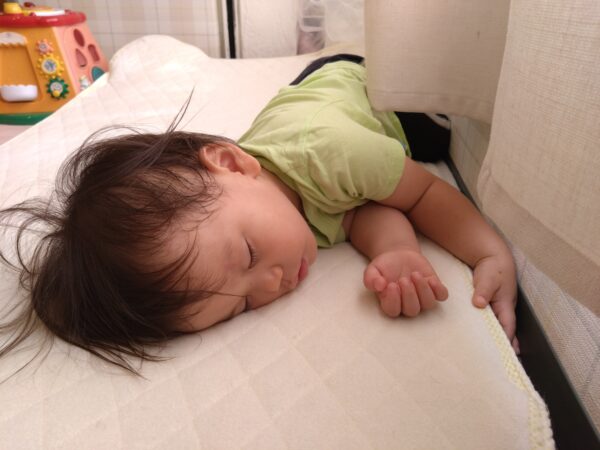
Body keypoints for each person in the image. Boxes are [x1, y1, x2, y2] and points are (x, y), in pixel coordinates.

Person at [0, 56, 518, 375]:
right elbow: (356, 213)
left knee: (437, 136)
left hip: (359, 83)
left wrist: (488, 253)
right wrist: (398, 251)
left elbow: (421, 193)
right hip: (300, 114)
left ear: (232, 163)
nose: (271, 283)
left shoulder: (335, 152)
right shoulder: (268, 215)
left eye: (248, 255)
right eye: (243, 305)